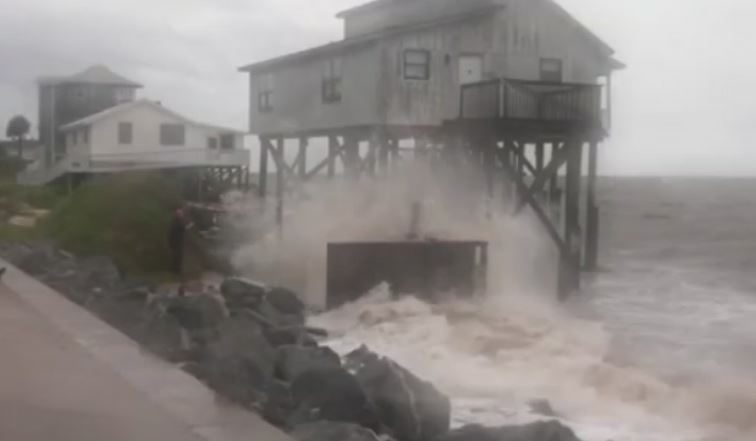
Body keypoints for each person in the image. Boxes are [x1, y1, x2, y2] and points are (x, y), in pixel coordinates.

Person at [168, 204, 193, 296]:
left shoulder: (175, 221)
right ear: (178, 214)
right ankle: (177, 271)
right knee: (178, 256)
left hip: (174, 241)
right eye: (180, 213)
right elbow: (183, 228)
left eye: (181, 213)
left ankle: (175, 270)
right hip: (176, 242)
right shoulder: (177, 222)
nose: (182, 214)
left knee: (176, 256)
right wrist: (191, 225)